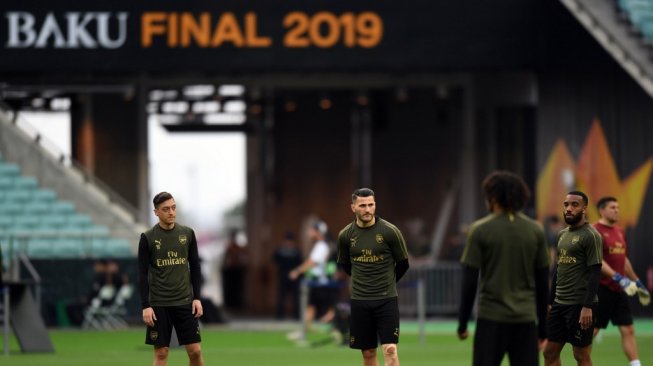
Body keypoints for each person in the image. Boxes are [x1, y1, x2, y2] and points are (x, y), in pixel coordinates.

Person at [457, 171, 550, 366]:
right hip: (525, 320)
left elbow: (469, 281)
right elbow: (543, 282)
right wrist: (543, 328)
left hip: (491, 319)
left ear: (492, 197)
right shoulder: (535, 230)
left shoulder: (480, 229)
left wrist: (463, 322)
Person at [336, 188, 410, 366]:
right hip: (360, 300)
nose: (367, 209)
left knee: (390, 349)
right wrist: (363, 282)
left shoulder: (389, 231)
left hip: (386, 300)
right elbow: (345, 265)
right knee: (368, 352)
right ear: (353, 207)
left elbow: (403, 264)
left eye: (371, 205)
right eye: (362, 205)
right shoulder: (345, 235)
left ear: (375, 205)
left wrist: (387, 283)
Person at [138, 192, 204, 366]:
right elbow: (142, 274)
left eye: (173, 208)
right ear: (156, 212)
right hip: (159, 303)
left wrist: (197, 297)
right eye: (166, 209)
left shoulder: (187, 234)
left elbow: (195, 267)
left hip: (185, 302)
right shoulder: (147, 238)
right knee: (161, 353)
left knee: (195, 352)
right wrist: (146, 306)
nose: (171, 212)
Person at [543, 191, 603, 366]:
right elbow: (558, 270)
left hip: (579, 305)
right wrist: (550, 301)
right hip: (559, 304)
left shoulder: (591, 235)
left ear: (584, 208)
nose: (569, 209)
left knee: (580, 354)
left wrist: (587, 306)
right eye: (566, 205)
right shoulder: (562, 235)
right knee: (549, 352)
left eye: (574, 205)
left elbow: (595, 272)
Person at [592, 196, 650, 366]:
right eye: (612, 207)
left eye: (618, 207)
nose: (617, 210)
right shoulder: (595, 231)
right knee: (591, 333)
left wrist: (638, 283)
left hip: (619, 290)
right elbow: (597, 260)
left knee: (628, 329)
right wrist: (618, 278)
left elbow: (623, 260)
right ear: (602, 210)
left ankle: (636, 364)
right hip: (600, 289)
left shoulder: (620, 231)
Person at [288, 220, 336, 340]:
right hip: (321, 282)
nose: (309, 232)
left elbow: (312, 262)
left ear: (318, 232)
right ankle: (304, 331)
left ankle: (336, 332)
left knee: (325, 310)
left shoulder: (322, 245)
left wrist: (297, 271)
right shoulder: (326, 244)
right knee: (312, 307)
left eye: (312, 229)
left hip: (321, 283)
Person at [274, 231, 302, 319]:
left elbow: (300, 262)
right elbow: (275, 259)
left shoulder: (296, 251)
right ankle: (279, 315)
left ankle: (296, 315)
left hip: (294, 276)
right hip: (283, 275)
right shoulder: (280, 250)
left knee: (295, 297)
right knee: (281, 296)